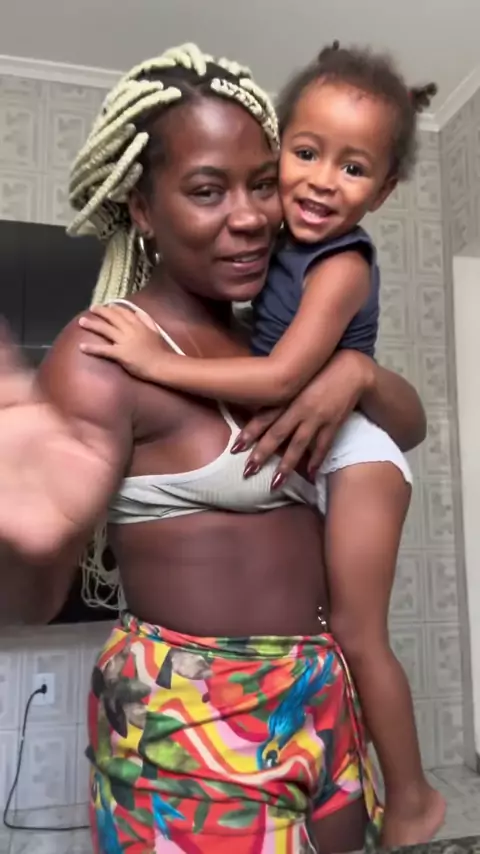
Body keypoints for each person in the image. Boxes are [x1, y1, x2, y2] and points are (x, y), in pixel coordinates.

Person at [0, 44, 428, 853]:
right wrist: (27, 536)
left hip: (323, 698)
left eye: (261, 183)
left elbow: (407, 428)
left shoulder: (274, 337)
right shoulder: (108, 352)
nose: (252, 215)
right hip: (193, 724)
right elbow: (29, 600)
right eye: (206, 190)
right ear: (143, 207)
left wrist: (358, 373)